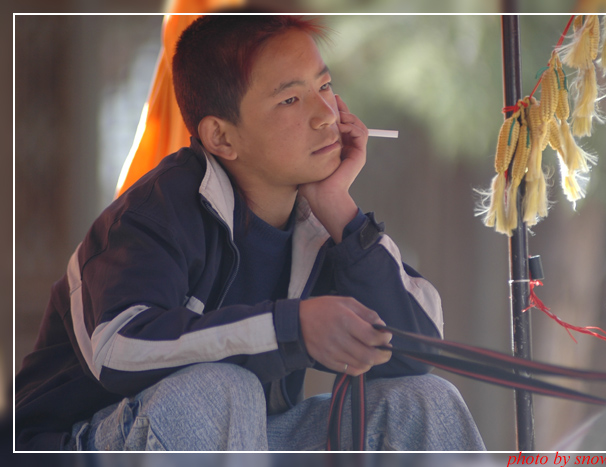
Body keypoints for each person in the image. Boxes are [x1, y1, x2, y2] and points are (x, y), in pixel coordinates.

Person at [15, 15, 485, 451]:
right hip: (87, 442)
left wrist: (342, 209)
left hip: (246, 442)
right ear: (221, 137)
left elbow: (417, 348)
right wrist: (290, 327)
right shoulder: (155, 212)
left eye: (325, 85)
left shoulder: (318, 223)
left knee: (424, 399)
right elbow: (120, 348)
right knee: (219, 389)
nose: (325, 114)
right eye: (290, 99)